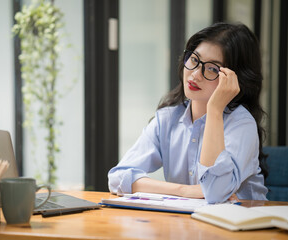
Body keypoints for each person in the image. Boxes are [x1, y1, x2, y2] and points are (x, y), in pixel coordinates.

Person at [108, 22, 268, 203]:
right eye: (194, 60)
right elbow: (117, 177)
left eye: (213, 69)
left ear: (234, 80)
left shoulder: (241, 124)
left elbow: (214, 194)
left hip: (243, 227)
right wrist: (184, 190)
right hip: (187, 225)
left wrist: (215, 110)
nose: (195, 74)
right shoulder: (168, 119)